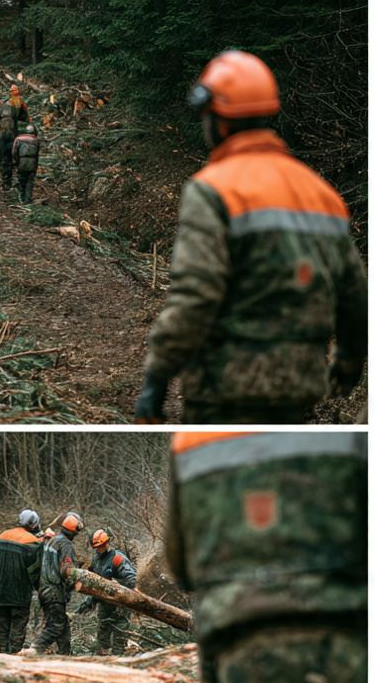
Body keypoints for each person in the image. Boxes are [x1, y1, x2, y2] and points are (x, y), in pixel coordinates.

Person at [135, 50, 367, 425]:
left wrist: (156, 380)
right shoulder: (321, 193)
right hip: (299, 389)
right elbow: (354, 295)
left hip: (225, 389)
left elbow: (196, 295)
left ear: (219, 120)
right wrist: (348, 363)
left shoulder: (212, 190)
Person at [166, 429, 367, 683]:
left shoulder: (191, 441)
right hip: (343, 632)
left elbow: (179, 563)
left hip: (241, 641)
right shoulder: (352, 435)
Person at [28, 512, 84, 655]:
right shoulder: (65, 544)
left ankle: (65, 654)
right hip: (54, 591)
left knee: (63, 624)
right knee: (57, 626)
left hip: (44, 589)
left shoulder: (52, 540)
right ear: (74, 530)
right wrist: (74, 584)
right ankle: (35, 649)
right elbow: (67, 570)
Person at [0, 509, 43, 654]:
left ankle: (2, 659)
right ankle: (13, 660)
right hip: (19, 596)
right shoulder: (32, 541)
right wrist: (40, 590)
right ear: (34, 524)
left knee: (3, 632)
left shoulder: (2, 536)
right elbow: (36, 571)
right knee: (17, 633)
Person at [77, 529, 137, 654]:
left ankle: (118, 661)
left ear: (107, 543)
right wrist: (88, 603)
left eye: (101, 546)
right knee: (102, 640)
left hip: (120, 605)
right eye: (96, 547)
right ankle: (102, 660)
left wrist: (117, 585)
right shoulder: (96, 559)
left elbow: (132, 579)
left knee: (119, 640)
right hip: (104, 605)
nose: (99, 549)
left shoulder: (118, 558)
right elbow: (94, 583)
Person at [12, 124, 40, 205]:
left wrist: (17, 161)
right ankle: (28, 199)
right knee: (30, 180)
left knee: (22, 179)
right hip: (32, 161)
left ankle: (21, 198)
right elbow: (37, 153)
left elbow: (14, 152)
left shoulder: (18, 139)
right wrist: (36, 165)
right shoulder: (36, 140)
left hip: (22, 160)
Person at [0, 99, 17, 190]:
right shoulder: (14, 109)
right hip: (11, 136)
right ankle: (8, 181)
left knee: (4, 158)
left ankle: (6, 181)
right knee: (10, 158)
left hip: (5, 137)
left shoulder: (1, 109)